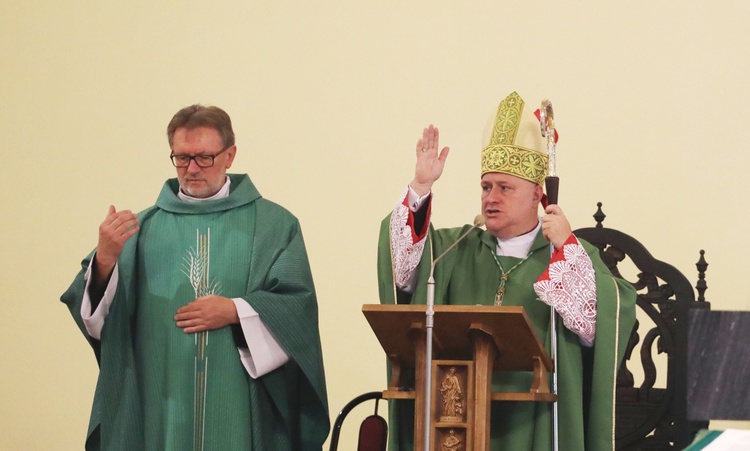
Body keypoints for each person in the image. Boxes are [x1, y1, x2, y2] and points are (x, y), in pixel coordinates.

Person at [377, 92, 636, 450]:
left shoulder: (566, 257)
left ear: (536, 196)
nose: (491, 197)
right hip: (456, 422)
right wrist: (421, 188)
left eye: (504, 188)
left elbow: (603, 326)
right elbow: (402, 273)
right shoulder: (453, 251)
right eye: (486, 186)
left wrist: (567, 249)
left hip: (537, 424)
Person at [61, 105, 329, 450]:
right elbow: (103, 326)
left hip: (241, 405)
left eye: (204, 157)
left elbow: (298, 310)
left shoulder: (274, 226)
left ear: (230, 155)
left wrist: (236, 311)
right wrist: (104, 260)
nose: (191, 169)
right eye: (182, 158)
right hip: (161, 406)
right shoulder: (141, 231)